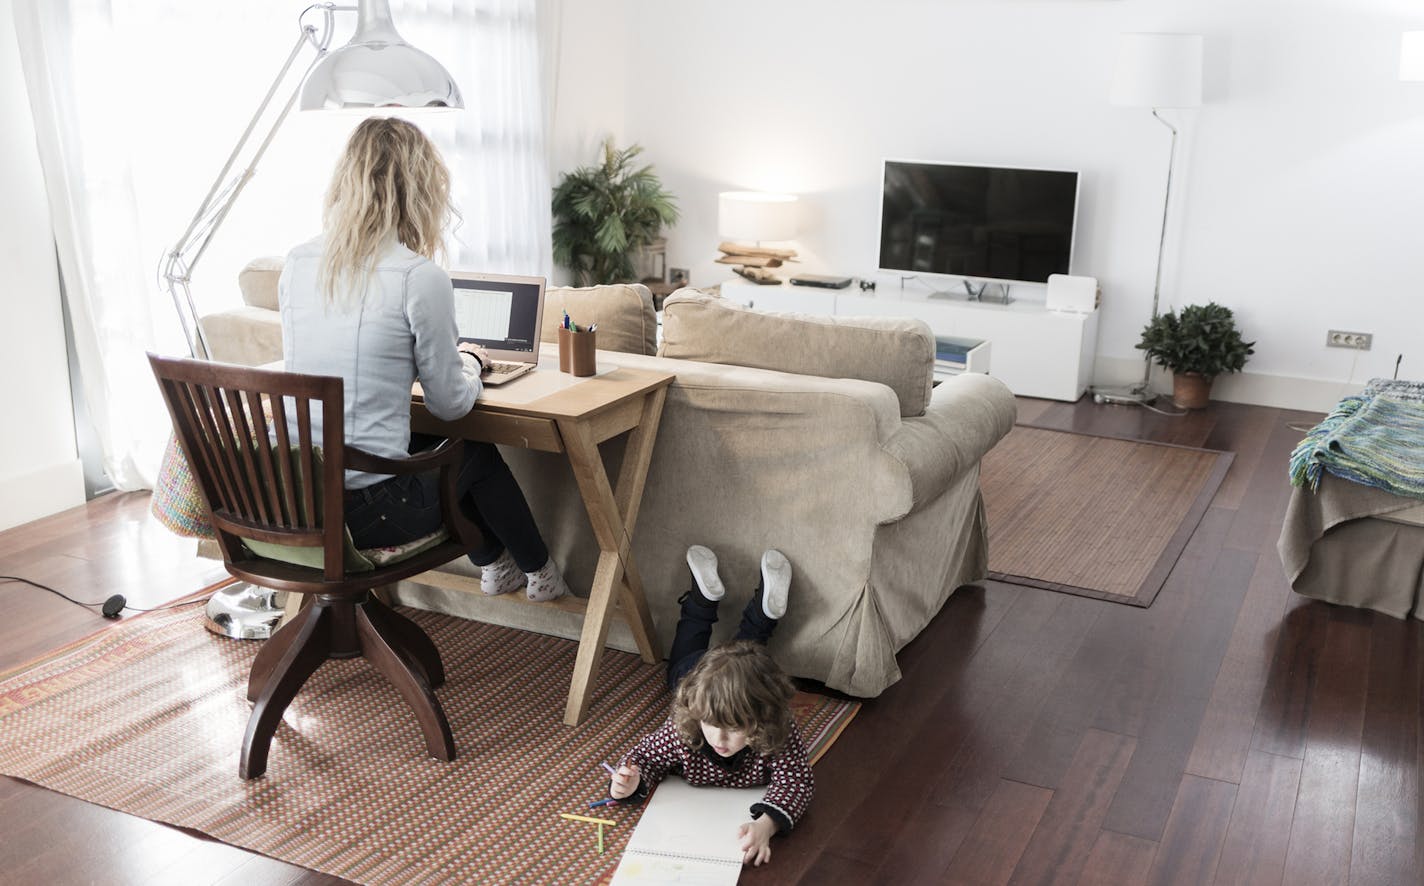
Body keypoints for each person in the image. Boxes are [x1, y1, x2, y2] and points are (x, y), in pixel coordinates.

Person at [278, 117, 568, 602]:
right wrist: (471, 360)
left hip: (292, 499)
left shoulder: (298, 262)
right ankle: (539, 571)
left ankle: (497, 565)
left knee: (429, 441)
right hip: (365, 513)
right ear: (419, 190)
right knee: (469, 447)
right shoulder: (417, 276)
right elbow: (451, 404)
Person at [607, 546, 813, 867]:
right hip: (691, 674)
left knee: (745, 661)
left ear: (762, 720)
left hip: (732, 678)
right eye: (712, 724)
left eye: (734, 728)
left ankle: (711, 602)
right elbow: (643, 757)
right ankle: (721, 603)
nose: (719, 739)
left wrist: (765, 825)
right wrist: (628, 783)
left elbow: (797, 780)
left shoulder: (776, 729)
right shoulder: (686, 722)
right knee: (688, 663)